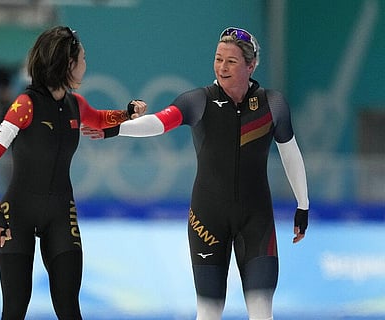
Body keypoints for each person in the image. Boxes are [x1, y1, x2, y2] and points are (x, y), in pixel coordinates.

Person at [82, 27, 309, 320]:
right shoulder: (197, 100)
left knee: (262, 312)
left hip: (257, 221)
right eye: (218, 59)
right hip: (207, 219)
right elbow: (158, 123)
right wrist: (115, 129)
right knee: (209, 312)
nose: (222, 67)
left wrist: (302, 204)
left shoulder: (272, 104)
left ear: (250, 66)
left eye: (231, 61)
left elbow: (290, 153)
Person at [0, 25, 146, 320]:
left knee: (69, 308)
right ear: (68, 64)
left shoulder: (75, 104)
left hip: (60, 214)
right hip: (16, 214)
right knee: (15, 309)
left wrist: (127, 112)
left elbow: (97, 119)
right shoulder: (24, 105)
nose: (85, 65)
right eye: (82, 59)